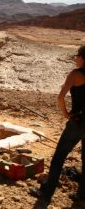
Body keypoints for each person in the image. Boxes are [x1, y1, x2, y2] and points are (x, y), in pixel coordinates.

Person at [29, 45, 85, 203]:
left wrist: (66, 114)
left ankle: (46, 194)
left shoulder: (76, 74)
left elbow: (60, 98)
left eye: (77, 56)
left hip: (78, 123)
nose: (76, 58)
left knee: (59, 158)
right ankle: (82, 195)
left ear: (82, 57)